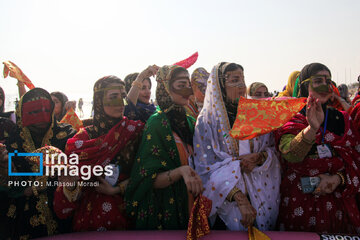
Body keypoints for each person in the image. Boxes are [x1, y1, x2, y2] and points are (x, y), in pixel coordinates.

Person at [192, 62, 281, 231]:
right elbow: (204, 169)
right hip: (226, 205)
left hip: (262, 198)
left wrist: (260, 158)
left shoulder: (254, 114)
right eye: (234, 80)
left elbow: (272, 149)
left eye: (243, 79)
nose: (242, 85)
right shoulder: (206, 121)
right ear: (220, 86)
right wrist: (239, 197)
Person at [276, 63, 360, 233]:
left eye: (328, 80)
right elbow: (290, 155)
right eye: (317, 81)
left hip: (337, 202)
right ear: (305, 86)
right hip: (300, 201)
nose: (325, 85)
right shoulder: (291, 117)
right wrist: (312, 129)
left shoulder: (341, 119)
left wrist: (337, 179)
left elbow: (355, 158)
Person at [53, 76, 144, 231]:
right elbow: (67, 192)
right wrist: (71, 184)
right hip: (89, 220)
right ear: (99, 100)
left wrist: (117, 189)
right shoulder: (81, 139)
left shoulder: (135, 131)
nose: (120, 103)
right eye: (113, 97)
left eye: (123, 97)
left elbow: (145, 175)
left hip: (129, 217)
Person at [125, 65, 203, 230]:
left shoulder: (189, 122)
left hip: (191, 206)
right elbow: (147, 178)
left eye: (188, 85)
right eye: (181, 85)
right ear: (166, 88)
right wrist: (180, 171)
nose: (188, 91)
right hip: (166, 210)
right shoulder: (157, 123)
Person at [1, 88, 76, 239]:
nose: (41, 117)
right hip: (23, 213)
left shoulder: (67, 135)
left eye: (45, 109)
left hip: (62, 207)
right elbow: (8, 183)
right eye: (33, 112)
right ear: (22, 113)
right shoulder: (12, 142)